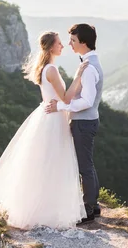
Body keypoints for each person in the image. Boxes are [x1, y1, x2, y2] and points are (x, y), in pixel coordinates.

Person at [0, 31, 88, 229]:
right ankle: (45, 210)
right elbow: (66, 99)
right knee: (52, 161)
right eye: (59, 43)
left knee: (46, 161)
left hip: (49, 115)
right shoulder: (52, 69)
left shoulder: (46, 67)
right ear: (51, 47)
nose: (62, 46)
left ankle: (44, 206)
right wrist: (79, 76)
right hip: (53, 119)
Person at [45, 23, 102, 224]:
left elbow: (86, 101)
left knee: (84, 167)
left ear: (84, 42)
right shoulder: (89, 63)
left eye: (73, 40)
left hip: (84, 123)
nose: (70, 44)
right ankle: (93, 205)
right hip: (87, 121)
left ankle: (89, 209)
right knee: (88, 164)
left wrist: (60, 107)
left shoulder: (88, 68)